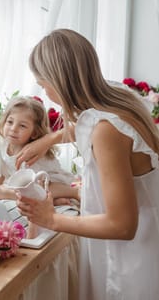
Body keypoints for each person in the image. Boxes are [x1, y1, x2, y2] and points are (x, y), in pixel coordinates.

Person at [16, 28, 159, 300]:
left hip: (128, 263)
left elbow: (122, 226)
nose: (44, 92)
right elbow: (85, 124)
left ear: (59, 81)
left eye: (43, 83)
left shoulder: (106, 130)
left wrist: (50, 218)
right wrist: (49, 140)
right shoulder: (119, 97)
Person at [0, 96, 80, 206]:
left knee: (42, 189)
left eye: (22, 126)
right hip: (22, 186)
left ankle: (73, 192)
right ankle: (51, 201)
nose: (13, 129)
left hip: (45, 182)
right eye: (10, 122)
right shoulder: (1, 144)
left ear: (34, 133)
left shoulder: (31, 153)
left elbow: (39, 183)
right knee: (1, 190)